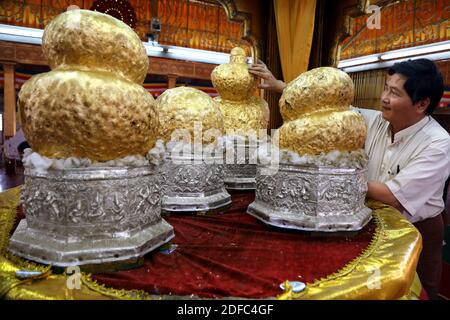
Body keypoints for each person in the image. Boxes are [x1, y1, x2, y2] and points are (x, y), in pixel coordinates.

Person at [249, 58, 450, 300]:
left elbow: (392, 196)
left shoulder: (437, 143)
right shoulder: (375, 120)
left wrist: (326, 179)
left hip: (415, 228)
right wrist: (280, 85)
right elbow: (329, 108)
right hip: (369, 217)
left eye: (394, 93)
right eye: (385, 87)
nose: (384, 97)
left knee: (414, 289)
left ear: (422, 104)